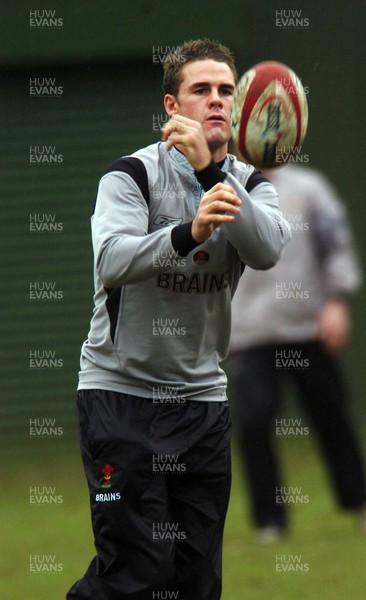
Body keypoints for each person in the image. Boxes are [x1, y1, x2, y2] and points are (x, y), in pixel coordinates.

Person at [66, 39, 291, 599]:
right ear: (172, 107)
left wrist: (215, 172)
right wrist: (187, 233)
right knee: (135, 573)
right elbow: (112, 261)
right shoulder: (130, 176)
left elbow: (266, 250)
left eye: (225, 91)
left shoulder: (249, 184)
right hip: (122, 397)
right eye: (200, 90)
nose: (216, 101)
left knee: (194, 581)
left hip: (202, 404)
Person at [229, 162, 366, 544]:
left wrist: (336, 301)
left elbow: (335, 244)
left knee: (332, 417)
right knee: (254, 423)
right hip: (252, 333)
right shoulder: (225, 187)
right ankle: (269, 521)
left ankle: (359, 502)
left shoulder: (308, 188)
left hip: (308, 327)